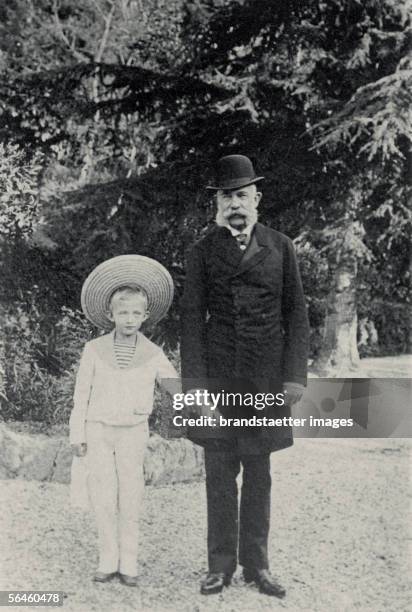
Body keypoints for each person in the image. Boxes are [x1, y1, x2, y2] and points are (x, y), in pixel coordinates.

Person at [180, 155, 310, 597]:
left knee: (259, 472)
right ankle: (220, 566)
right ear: (216, 203)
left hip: (266, 380)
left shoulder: (281, 246)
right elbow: (192, 321)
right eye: (226, 196)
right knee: (219, 473)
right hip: (219, 378)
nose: (234, 204)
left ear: (256, 199)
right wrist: (194, 387)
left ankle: (258, 566)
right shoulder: (201, 252)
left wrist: (294, 378)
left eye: (241, 195)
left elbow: (297, 314)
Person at [69, 255, 178, 587]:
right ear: (110, 315)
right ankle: (107, 556)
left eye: (135, 313)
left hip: (133, 431)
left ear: (145, 316)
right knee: (102, 493)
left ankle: (129, 560)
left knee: (131, 493)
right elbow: (81, 394)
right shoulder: (94, 349)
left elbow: (175, 385)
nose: (129, 319)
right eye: (122, 312)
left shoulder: (152, 354)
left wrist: (205, 406)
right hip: (98, 428)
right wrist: (77, 432)